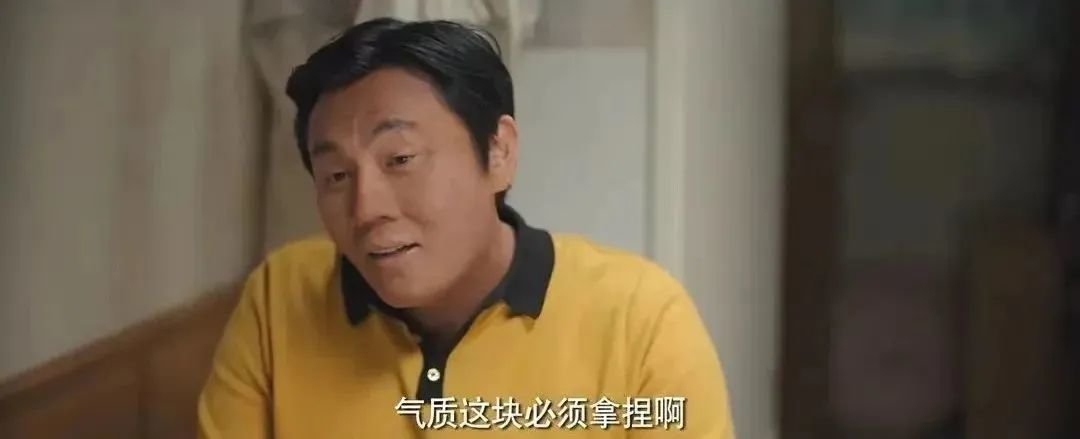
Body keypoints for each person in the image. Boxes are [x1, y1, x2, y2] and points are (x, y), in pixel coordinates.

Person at [197, 18, 734, 438]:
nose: (366, 208)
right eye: (336, 175)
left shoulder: (640, 320)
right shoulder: (281, 296)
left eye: (400, 159)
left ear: (499, 152)